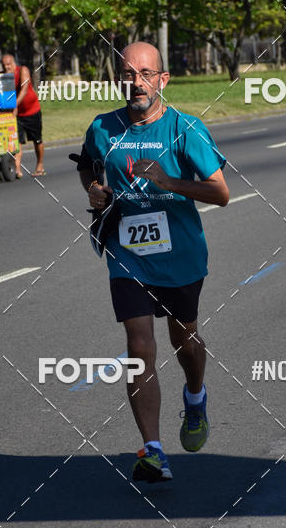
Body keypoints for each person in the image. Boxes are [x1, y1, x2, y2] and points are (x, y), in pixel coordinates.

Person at [76, 41, 229, 483]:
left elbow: (221, 193)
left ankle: (196, 396)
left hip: (180, 255)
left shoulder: (186, 129)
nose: (136, 82)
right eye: (128, 73)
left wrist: (168, 181)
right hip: (128, 256)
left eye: (145, 73)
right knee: (139, 346)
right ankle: (153, 450)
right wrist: (94, 191)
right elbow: (87, 166)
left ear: (163, 80)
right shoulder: (103, 128)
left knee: (186, 342)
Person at [1, 54, 45, 177]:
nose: (6, 67)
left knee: (37, 140)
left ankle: (40, 165)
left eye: (8, 64)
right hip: (17, 115)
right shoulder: (3, 75)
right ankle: (17, 169)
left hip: (32, 111)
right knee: (17, 141)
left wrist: (15, 105)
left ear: (13, 63)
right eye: (4, 65)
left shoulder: (22, 70)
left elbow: (24, 89)